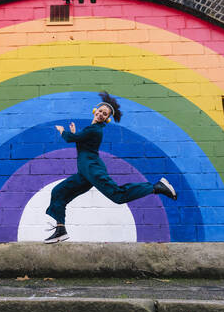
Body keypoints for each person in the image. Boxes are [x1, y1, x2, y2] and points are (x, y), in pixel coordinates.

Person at [44, 92, 177, 244]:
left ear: (107, 119)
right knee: (58, 192)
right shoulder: (91, 129)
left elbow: (70, 139)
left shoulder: (95, 130)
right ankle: (60, 230)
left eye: (104, 114)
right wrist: (75, 134)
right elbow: (82, 143)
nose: (101, 114)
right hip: (85, 173)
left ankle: (156, 187)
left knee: (118, 196)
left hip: (93, 169)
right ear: (95, 111)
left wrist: (63, 131)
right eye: (100, 111)